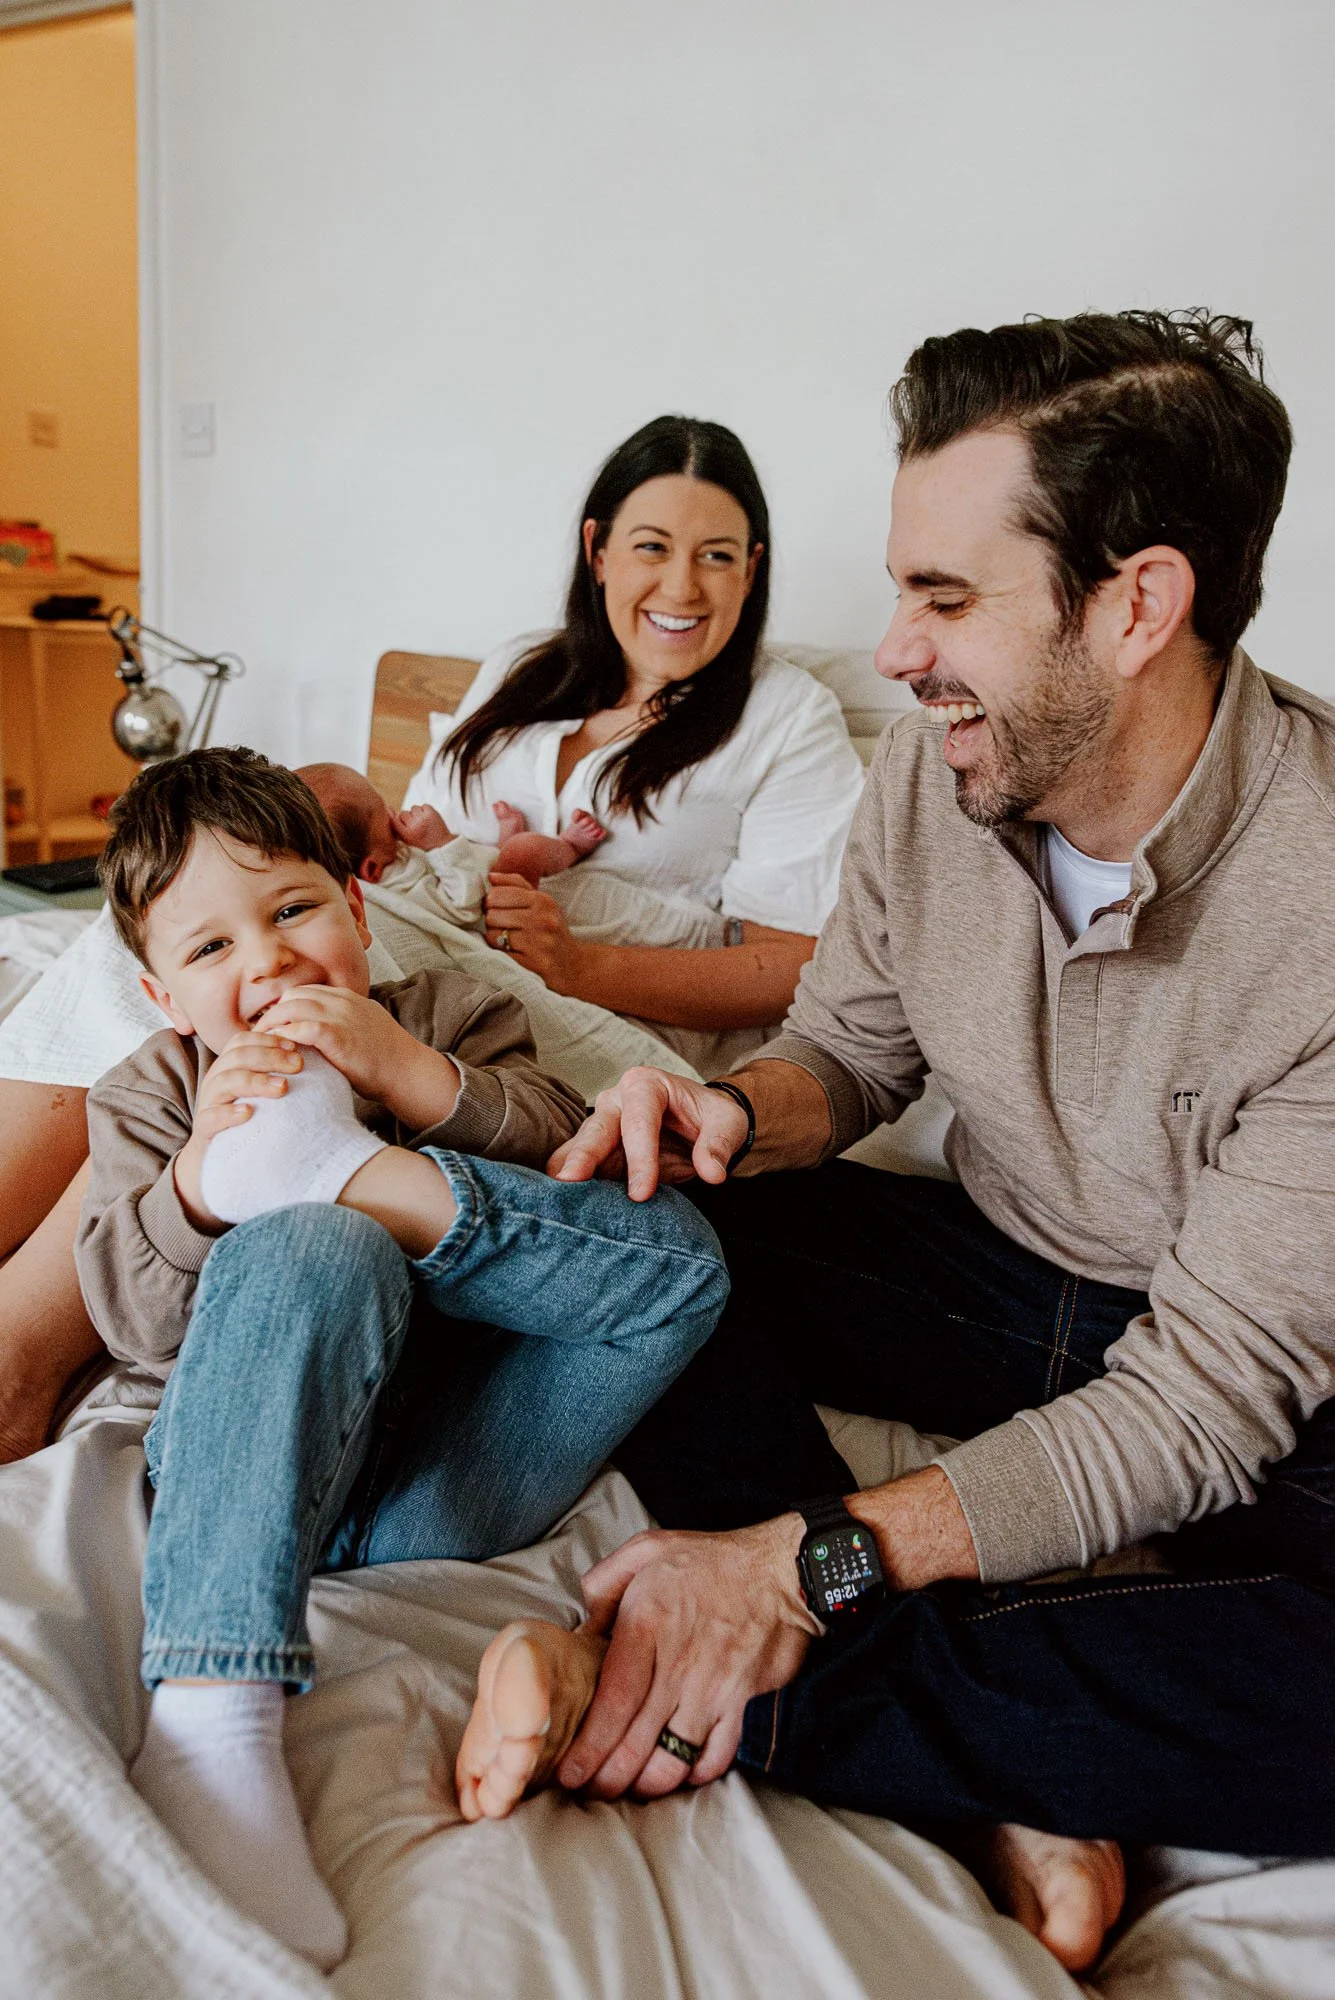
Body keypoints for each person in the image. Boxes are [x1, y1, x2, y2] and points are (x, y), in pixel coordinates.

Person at [455, 311, 1335, 1974]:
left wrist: (810, 1565)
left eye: (944, 598)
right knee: (644, 1231)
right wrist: (730, 1114)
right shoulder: (948, 772)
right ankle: (1009, 1758)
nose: (894, 650)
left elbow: (1204, 1408)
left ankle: (707, 1678)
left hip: (1269, 1382)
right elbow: (852, 1049)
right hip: (1008, 1280)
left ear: (1136, 605)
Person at [0, 411, 864, 1464]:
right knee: (179, 928)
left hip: (580, 1010)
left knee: (212, 986)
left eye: (717, 555)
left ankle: (18, 1358)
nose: (682, 586)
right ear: (598, 551)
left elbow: (794, 968)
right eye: (652, 547)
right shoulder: (523, 672)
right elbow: (411, 844)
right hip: (430, 921)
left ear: (754, 568)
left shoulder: (788, 716)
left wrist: (582, 960)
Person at [76, 746, 729, 1967]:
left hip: (455, 1469)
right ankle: (212, 1722)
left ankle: (338, 1174)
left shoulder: (446, 1015)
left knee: (683, 1262)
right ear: (166, 998)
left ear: (358, 910)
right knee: (318, 1246)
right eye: (209, 949)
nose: (265, 959)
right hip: (250, 1472)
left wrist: (406, 1077)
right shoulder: (152, 1092)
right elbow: (130, 1318)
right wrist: (202, 1184)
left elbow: (554, 1146)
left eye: (290, 909)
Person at [297, 760, 609, 914]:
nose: (395, 814)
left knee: (494, 853)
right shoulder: (398, 887)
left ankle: (499, 848)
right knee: (525, 848)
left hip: (484, 869)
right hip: (494, 907)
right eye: (385, 815)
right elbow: (465, 904)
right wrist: (439, 843)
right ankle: (569, 847)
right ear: (371, 870)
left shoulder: (384, 858)